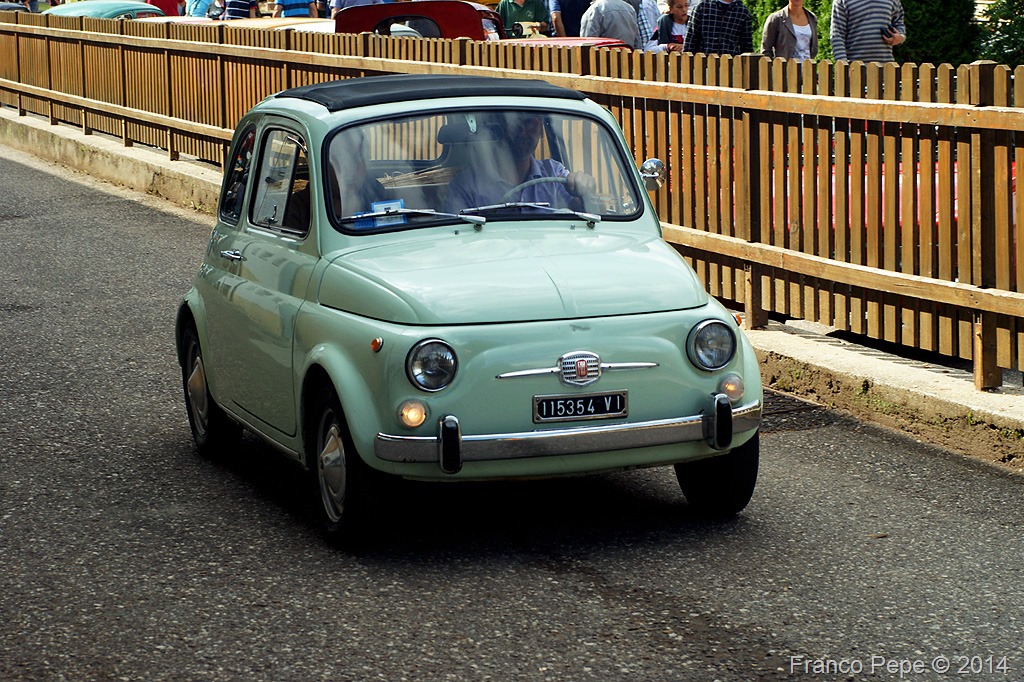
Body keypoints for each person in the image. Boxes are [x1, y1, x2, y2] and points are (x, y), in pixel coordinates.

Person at [444, 114, 596, 214]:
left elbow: (583, 216)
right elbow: (457, 239)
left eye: (530, 124)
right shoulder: (467, 185)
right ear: (498, 130)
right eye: (515, 125)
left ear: (541, 130)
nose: (523, 132)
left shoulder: (553, 173)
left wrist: (583, 191)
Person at [329, 129, 387, 219]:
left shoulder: (375, 191)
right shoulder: (305, 205)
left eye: (357, 158)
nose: (353, 167)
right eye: (340, 162)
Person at [830, 0, 905, 63]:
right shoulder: (842, 1)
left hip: (886, 66)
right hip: (854, 67)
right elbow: (837, 34)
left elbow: (899, 22)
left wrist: (900, 37)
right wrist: (843, 64)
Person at [682, 0, 753, 56]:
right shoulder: (703, 7)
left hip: (730, 65)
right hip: (702, 64)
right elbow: (690, 39)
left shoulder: (743, 13)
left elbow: (747, 47)